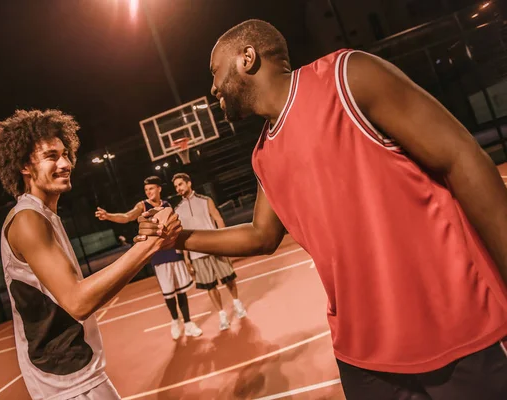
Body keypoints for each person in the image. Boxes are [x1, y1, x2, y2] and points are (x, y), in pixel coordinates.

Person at [136, 19, 507, 399]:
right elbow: (261, 236)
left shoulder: (347, 77)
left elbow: (461, 158)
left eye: (216, 72)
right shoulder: (263, 156)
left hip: (456, 328)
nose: (213, 88)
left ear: (247, 58)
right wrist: (178, 237)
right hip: (362, 354)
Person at [0, 109, 180, 400]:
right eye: (51, 156)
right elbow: (78, 301)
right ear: (25, 165)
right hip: (66, 382)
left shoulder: (44, 216)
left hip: (74, 375)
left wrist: (148, 243)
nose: (65, 163)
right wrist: (148, 245)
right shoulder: (28, 220)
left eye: (65, 154)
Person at [95, 175, 202, 339]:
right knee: (168, 292)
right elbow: (127, 217)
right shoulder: (142, 205)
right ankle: (175, 321)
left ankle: (188, 323)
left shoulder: (166, 205)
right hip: (158, 254)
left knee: (181, 291)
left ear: (159, 189)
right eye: (146, 190)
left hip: (174, 251)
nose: (148, 192)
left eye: (151, 188)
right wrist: (109, 216)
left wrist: (185, 255)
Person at [172, 172, 247, 330]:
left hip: (215, 247)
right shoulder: (177, 210)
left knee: (228, 279)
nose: (178, 188)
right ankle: (222, 315)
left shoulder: (205, 201)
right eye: (176, 186)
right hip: (197, 254)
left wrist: (225, 241)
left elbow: (218, 219)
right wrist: (186, 259)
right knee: (209, 286)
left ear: (189, 183)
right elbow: (182, 235)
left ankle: (237, 303)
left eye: (180, 184)